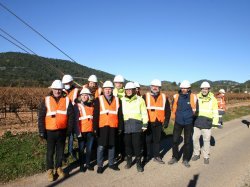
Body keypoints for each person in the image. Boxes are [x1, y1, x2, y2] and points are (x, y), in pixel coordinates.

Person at [38, 80, 74, 182]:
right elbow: (41, 116)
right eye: (55, 89)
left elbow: (71, 116)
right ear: (52, 89)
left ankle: (58, 168)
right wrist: (41, 130)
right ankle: (50, 170)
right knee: (50, 152)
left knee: (60, 151)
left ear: (62, 90)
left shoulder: (67, 100)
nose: (57, 91)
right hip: (50, 131)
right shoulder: (46, 100)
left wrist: (69, 130)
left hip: (62, 131)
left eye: (59, 89)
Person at [93, 80, 123, 174]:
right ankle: (100, 165)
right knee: (101, 147)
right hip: (102, 126)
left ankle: (111, 163)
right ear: (104, 90)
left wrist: (120, 127)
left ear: (112, 90)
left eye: (110, 89)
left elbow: (120, 115)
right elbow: (96, 115)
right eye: (106, 89)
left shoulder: (118, 100)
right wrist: (95, 128)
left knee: (112, 146)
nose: (108, 91)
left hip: (113, 126)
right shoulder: (98, 99)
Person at [168, 80, 197, 168]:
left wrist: (192, 119)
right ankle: (175, 157)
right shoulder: (176, 96)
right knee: (175, 140)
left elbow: (196, 110)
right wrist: (173, 119)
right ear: (180, 88)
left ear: (189, 88)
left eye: (186, 88)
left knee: (187, 142)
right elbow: (173, 108)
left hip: (188, 122)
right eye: (182, 88)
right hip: (178, 122)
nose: (184, 89)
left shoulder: (193, 97)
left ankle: (185, 159)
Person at [121, 82, 148, 172]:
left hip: (137, 126)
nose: (128, 91)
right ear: (125, 91)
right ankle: (129, 162)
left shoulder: (140, 100)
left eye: (130, 90)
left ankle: (138, 164)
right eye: (127, 90)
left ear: (133, 90)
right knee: (128, 145)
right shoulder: (122, 100)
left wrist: (145, 124)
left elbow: (144, 112)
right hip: (126, 125)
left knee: (137, 145)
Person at [143, 79, 171, 164]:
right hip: (148, 122)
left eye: (157, 87)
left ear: (159, 88)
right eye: (153, 86)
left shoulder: (164, 97)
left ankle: (157, 156)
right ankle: (146, 155)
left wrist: (166, 121)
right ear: (150, 87)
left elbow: (167, 110)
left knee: (157, 140)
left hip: (158, 121)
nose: (155, 88)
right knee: (147, 140)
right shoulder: (145, 96)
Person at [192, 81, 219, 165]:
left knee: (206, 140)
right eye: (203, 89)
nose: (204, 90)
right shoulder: (196, 97)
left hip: (207, 123)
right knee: (195, 139)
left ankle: (206, 156)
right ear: (201, 89)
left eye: (206, 89)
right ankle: (196, 154)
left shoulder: (213, 99)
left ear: (208, 89)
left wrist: (215, 123)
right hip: (197, 121)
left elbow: (215, 111)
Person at [75, 88, 95, 172]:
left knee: (89, 149)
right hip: (81, 131)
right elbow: (75, 120)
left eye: (86, 95)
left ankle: (88, 163)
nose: (84, 96)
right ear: (80, 96)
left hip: (90, 131)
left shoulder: (92, 106)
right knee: (81, 149)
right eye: (83, 95)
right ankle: (81, 165)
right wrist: (77, 132)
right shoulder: (77, 106)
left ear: (89, 96)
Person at [62, 74, 79, 160]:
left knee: (71, 135)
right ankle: (62, 154)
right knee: (62, 136)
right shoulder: (61, 91)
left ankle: (70, 151)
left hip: (73, 115)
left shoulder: (76, 90)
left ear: (72, 82)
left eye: (68, 82)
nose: (66, 84)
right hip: (63, 116)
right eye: (65, 83)